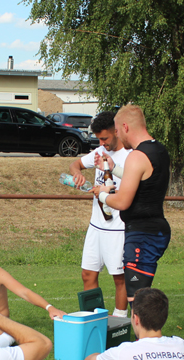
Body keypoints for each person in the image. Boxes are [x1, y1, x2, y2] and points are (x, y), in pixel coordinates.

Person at [90, 104, 171, 304]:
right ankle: (145, 335)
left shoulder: (137, 155)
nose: (117, 136)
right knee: (140, 296)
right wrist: (113, 168)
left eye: (116, 130)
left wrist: (101, 194)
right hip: (155, 229)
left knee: (137, 299)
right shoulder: (159, 150)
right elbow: (141, 178)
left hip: (142, 235)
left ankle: (144, 336)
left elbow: (122, 202)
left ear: (125, 127)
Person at [69, 111, 130, 317]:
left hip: (118, 227)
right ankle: (92, 320)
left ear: (117, 131)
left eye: (105, 138)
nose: (102, 143)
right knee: (87, 274)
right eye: (98, 139)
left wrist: (105, 192)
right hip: (96, 226)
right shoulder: (99, 151)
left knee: (119, 277)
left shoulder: (130, 156)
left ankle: (120, 321)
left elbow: (133, 192)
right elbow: (75, 163)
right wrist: (77, 173)